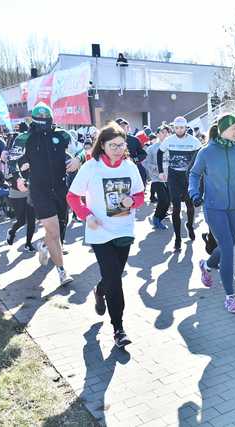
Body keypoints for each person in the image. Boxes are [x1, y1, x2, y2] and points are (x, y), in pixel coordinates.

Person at [67, 122, 144, 348]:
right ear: (102, 145)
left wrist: (133, 201)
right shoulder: (91, 167)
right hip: (99, 231)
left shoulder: (130, 167)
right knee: (115, 278)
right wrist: (86, 215)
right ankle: (118, 328)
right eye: (113, 145)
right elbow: (73, 197)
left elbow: (140, 195)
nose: (118, 149)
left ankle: (100, 290)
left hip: (124, 229)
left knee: (112, 277)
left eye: (121, 145)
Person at [189, 114, 235, 314]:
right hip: (213, 207)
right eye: (234, 128)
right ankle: (230, 297)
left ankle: (206, 265)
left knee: (229, 245)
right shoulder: (207, 152)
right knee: (227, 249)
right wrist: (194, 193)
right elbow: (194, 174)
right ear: (223, 129)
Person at [14, 102, 83, 286]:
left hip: (61, 190)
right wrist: (18, 179)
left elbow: (84, 149)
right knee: (53, 230)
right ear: (33, 120)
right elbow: (11, 161)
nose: (42, 124)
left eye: (46, 120)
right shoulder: (24, 138)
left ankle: (44, 245)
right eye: (39, 121)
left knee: (58, 231)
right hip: (39, 191)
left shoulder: (62, 134)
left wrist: (78, 159)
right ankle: (62, 271)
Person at [158, 116, 201, 252]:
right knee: (176, 208)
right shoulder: (169, 140)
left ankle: (189, 224)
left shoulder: (194, 141)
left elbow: (200, 157)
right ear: (174, 128)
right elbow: (160, 153)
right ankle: (177, 239)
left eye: (182, 127)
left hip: (188, 177)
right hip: (173, 177)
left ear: (186, 127)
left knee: (189, 205)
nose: (179, 130)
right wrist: (160, 171)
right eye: (177, 128)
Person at [144, 125, 170, 230]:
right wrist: (158, 169)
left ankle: (160, 217)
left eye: (166, 132)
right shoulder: (152, 148)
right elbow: (145, 162)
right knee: (163, 200)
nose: (164, 134)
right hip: (157, 178)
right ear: (157, 134)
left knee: (168, 201)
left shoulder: (172, 146)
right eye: (162, 132)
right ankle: (156, 219)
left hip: (170, 178)